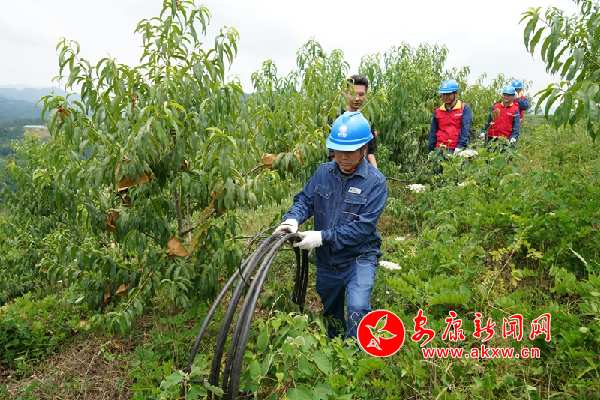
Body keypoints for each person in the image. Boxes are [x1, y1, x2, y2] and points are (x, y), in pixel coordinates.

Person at [275, 112, 387, 340]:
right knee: (331, 312)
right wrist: (292, 219)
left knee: (357, 307)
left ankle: (354, 352)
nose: (342, 157)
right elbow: (305, 200)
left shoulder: (376, 183)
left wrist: (321, 237)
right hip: (327, 260)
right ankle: (334, 345)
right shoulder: (323, 173)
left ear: (364, 148)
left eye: (350, 151)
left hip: (359, 257)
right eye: (338, 150)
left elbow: (362, 229)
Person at [328, 75, 378, 168]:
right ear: (346, 93)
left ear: (366, 94)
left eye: (361, 95)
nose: (357, 98)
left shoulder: (367, 117)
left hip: (364, 172)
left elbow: (371, 152)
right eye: (353, 94)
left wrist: (376, 173)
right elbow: (332, 155)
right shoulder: (336, 117)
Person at [428, 79, 472, 154]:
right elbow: (433, 132)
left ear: (456, 93)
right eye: (443, 94)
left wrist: (460, 147)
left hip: (456, 149)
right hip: (440, 149)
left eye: (448, 94)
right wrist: (431, 150)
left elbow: (465, 129)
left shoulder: (464, 108)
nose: (445, 97)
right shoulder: (438, 111)